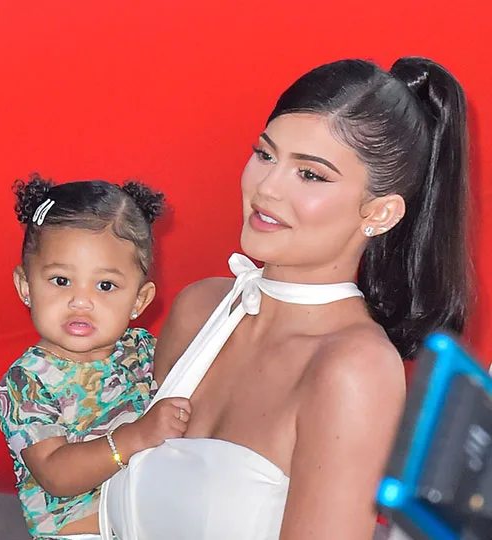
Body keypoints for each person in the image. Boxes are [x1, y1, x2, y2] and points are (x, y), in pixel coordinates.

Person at [99, 56, 472, 540]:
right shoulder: (200, 309)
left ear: (379, 213)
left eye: (311, 175)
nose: (267, 188)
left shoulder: (354, 371)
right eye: (265, 154)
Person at [0, 175, 191, 539]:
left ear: (139, 300)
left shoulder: (144, 350)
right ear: (25, 286)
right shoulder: (28, 380)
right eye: (61, 281)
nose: (81, 301)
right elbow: (56, 474)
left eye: (105, 286)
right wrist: (132, 439)